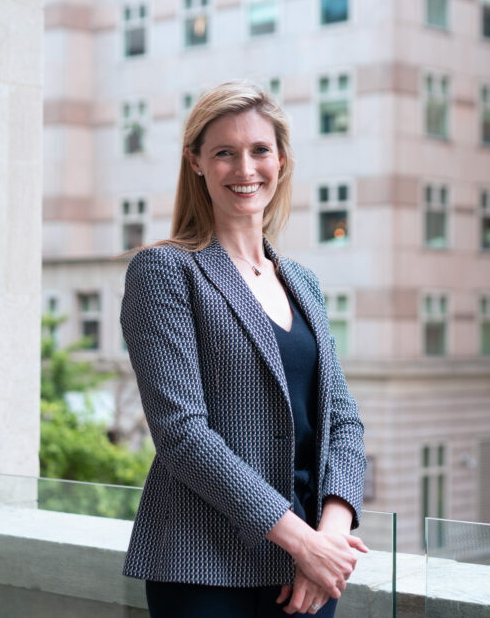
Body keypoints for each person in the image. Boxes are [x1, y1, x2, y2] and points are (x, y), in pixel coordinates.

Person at [119, 80, 368, 617]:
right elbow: (182, 434)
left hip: (305, 575)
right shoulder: (165, 271)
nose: (245, 168)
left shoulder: (303, 281)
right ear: (196, 164)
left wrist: (331, 535)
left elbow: (343, 420)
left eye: (260, 150)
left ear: (281, 159)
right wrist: (303, 541)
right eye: (224, 153)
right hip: (204, 568)